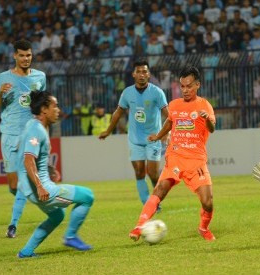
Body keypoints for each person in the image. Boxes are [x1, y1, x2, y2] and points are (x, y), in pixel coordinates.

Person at [129, 66, 217, 241]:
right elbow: (170, 122)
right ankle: (139, 226)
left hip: (196, 161)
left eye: (189, 86)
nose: (185, 90)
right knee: (160, 189)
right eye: (182, 86)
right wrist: (159, 136)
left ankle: (203, 228)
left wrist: (206, 118)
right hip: (175, 157)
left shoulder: (204, 105)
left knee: (208, 202)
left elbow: (212, 129)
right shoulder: (174, 105)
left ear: (197, 85)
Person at [17, 91, 94, 258]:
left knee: (57, 215)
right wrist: (40, 186)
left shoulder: (34, 125)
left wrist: (50, 169)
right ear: (44, 109)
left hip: (30, 188)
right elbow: (28, 159)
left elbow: (29, 154)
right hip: (41, 189)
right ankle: (71, 236)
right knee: (88, 196)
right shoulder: (36, 130)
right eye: (55, 106)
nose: (58, 109)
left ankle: (26, 251)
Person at [0, 39, 47, 238]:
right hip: (9, 133)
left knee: (23, 180)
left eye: (29, 55)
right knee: (14, 185)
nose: (26, 59)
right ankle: (33, 196)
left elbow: (43, 105)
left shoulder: (40, 76)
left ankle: (12, 225)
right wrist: (0, 95)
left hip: (30, 134)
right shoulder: (3, 78)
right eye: (22, 55)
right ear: (15, 55)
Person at [99, 60, 168, 207]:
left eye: (144, 72)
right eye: (139, 72)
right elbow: (118, 113)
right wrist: (108, 131)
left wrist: (165, 134)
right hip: (135, 139)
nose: (142, 75)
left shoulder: (157, 92)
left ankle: (157, 199)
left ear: (148, 74)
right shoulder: (127, 93)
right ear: (133, 74)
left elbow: (168, 115)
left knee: (153, 174)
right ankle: (147, 204)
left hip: (153, 138)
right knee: (139, 172)